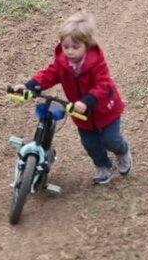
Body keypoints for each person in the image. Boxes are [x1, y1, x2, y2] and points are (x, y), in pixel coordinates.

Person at [12, 10, 133, 184]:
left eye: (75, 47)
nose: (69, 51)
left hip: (105, 109)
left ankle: (122, 152)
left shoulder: (96, 63)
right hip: (81, 114)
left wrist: (86, 101)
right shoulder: (62, 63)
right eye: (65, 47)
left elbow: (103, 85)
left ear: (87, 44)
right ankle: (103, 166)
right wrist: (28, 85)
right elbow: (49, 75)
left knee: (111, 139)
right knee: (90, 143)